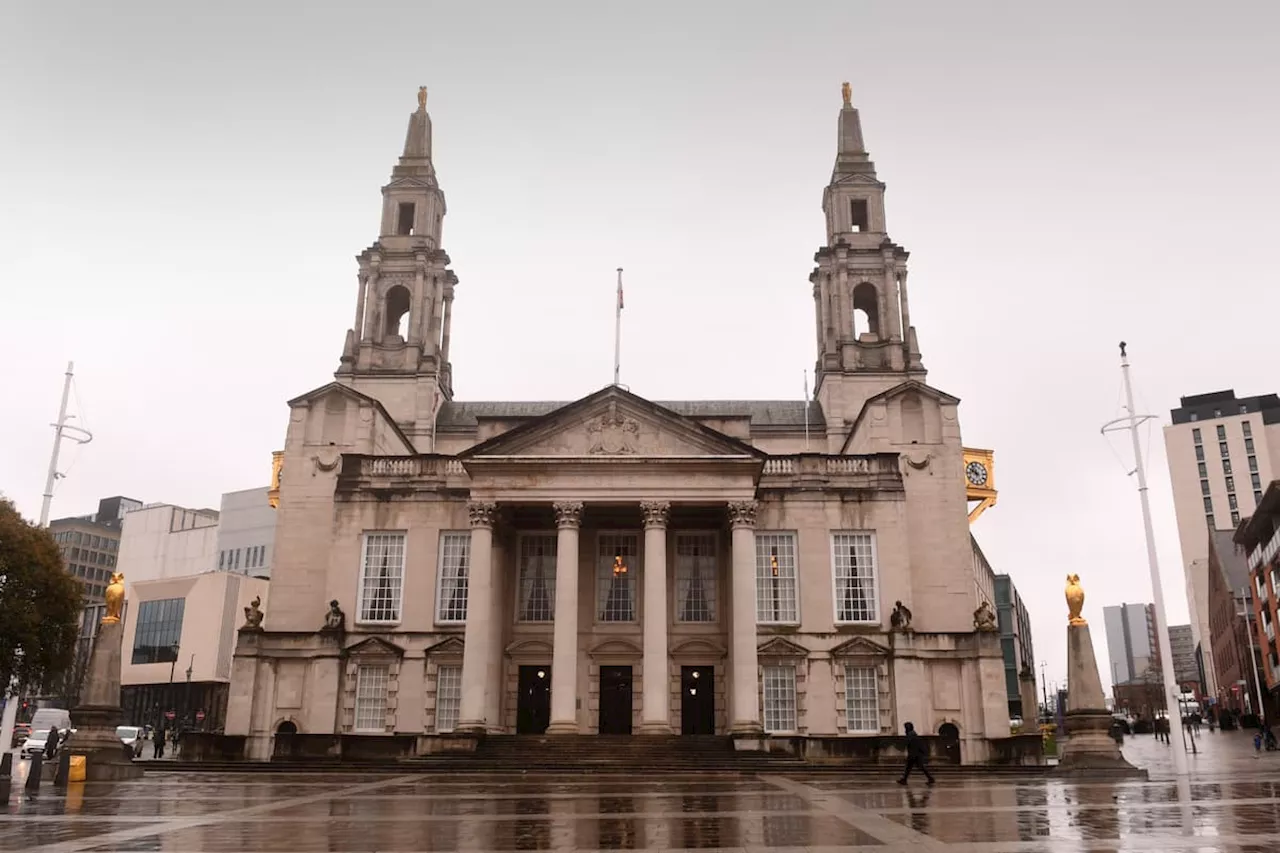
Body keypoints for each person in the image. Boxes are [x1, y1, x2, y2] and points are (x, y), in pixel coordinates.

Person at [897, 722, 935, 786]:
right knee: (910, 768)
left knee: (917, 767)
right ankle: (904, 780)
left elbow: (908, 744)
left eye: (905, 727)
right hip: (916, 754)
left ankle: (930, 778)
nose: (905, 729)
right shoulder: (913, 734)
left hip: (914, 755)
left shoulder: (910, 735)